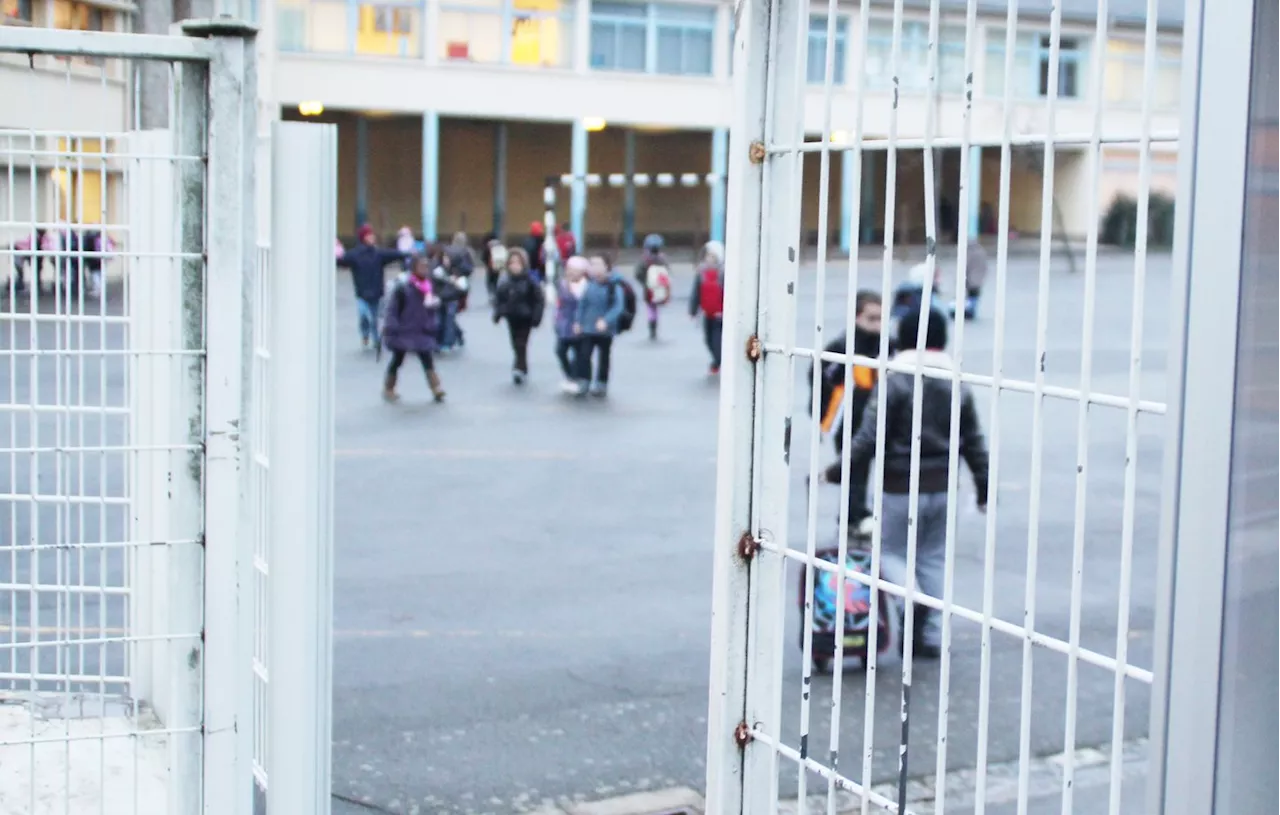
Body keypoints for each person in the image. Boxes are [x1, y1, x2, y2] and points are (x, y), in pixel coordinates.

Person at [842, 306, 989, 659]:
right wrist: (983, 487)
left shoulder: (895, 380)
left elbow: (868, 436)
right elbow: (973, 440)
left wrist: (839, 469)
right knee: (933, 558)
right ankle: (931, 637)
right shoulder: (957, 383)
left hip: (899, 486)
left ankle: (912, 602)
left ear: (902, 340)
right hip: (942, 487)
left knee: (889, 552)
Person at [812, 291, 891, 537]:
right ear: (857, 318)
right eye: (872, 318)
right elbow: (820, 380)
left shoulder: (887, 344)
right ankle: (852, 517)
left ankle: (860, 513)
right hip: (849, 421)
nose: (878, 325)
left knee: (869, 469)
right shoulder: (841, 348)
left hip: (879, 420)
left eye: (881, 319)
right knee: (855, 468)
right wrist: (826, 415)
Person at [381, 255, 446, 403]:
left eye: (426, 266)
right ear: (414, 268)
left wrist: (435, 307)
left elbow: (438, 304)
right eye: (421, 266)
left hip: (422, 330)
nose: (424, 269)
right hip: (404, 330)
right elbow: (392, 310)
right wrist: (391, 327)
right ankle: (389, 387)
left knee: (427, 360)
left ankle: (436, 388)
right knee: (397, 360)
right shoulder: (403, 288)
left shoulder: (429, 286)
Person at [336, 225, 409, 350]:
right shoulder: (355, 254)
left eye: (372, 235)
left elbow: (393, 255)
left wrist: (406, 254)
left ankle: (375, 338)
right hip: (362, 292)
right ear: (363, 237)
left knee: (374, 317)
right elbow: (341, 261)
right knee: (364, 314)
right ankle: (365, 334)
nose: (372, 237)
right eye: (369, 235)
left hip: (376, 291)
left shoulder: (378, 253)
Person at [573, 253, 626, 397]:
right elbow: (582, 304)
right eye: (592, 264)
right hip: (588, 328)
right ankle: (584, 381)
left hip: (605, 330)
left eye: (598, 264)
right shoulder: (589, 285)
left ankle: (602, 383)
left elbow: (618, 307)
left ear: (606, 267)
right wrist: (578, 321)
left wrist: (606, 320)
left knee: (604, 356)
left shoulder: (614, 285)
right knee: (584, 354)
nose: (594, 268)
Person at [493, 247, 545, 385]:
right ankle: (522, 366)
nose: (515, 266)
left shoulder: (530, 281)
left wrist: (537, 317)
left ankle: (518, 368)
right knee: (515, 343)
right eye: (512, 263)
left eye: (518, 263)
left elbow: (538, 300)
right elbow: (499, 299)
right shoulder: (505, 281)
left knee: (521, 343)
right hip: (512, 316)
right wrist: (498, 314)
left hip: (526, 317)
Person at [689, 240, 726, 374]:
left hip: (719, 316)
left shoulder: (723, 274)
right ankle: (716, 360)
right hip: (707, 314)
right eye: (707, 256)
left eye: (712, 256)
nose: (709, 259)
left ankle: (718, 361)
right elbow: (696, 293)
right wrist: (693, 310)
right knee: (708, 340)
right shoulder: (701, 274)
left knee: (717, 341)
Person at [554, 255, 589, 392]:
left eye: (574, 270)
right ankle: (569, 376)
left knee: (579, 354)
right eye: (569, 269)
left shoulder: (587, 287)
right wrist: (557, 321)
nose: (570, 272)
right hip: (564, 325)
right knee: (560, 351)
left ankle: (577, 378)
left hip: (580, 326)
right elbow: (559, 306)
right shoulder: (562, 285)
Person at [635, 233, 672, 341]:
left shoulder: (644, 260)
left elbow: (638, 273)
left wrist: (645, 282)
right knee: (656, 307)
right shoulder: (663, 259)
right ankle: (654, 326)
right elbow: (667, 273)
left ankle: (652, 327)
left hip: (649, 288)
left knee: (651, 308)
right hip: (660, 287)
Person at [431, 248, 467, 351]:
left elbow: (463, 288)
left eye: (448, 258)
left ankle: (447, 343)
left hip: (452, 299)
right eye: (445, 257)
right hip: (440, 298)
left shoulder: (457, 271)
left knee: (449, 320)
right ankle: (442, 339)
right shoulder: (438, 270)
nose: (446, 260)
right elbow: (434, 283)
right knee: (440, 320)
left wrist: (454, 283)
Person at [952, 239, 989, 321]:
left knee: (969, 295)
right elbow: (985, 266)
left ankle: (968, 311)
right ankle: (972, 310)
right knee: (975, 295)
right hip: (979, 279)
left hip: (970, 278)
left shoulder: (969, 253)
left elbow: (966, 265)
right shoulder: (981, 252)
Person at [446, 231, 476, 310]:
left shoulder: (449, 249)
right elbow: (471, 262)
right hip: (464, 273)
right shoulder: (468, 250)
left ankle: (455, 302)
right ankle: (462, 303)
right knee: (464, 288)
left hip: (453, 272)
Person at [481, 233, 507, 303]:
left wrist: (486, 263)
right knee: (497, 281)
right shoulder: (499, 245)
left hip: (490, 267)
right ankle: (496, 295)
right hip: (498, 266)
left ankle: (492, 295)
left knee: (489, 281)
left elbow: (484, 257)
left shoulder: (487, 246)